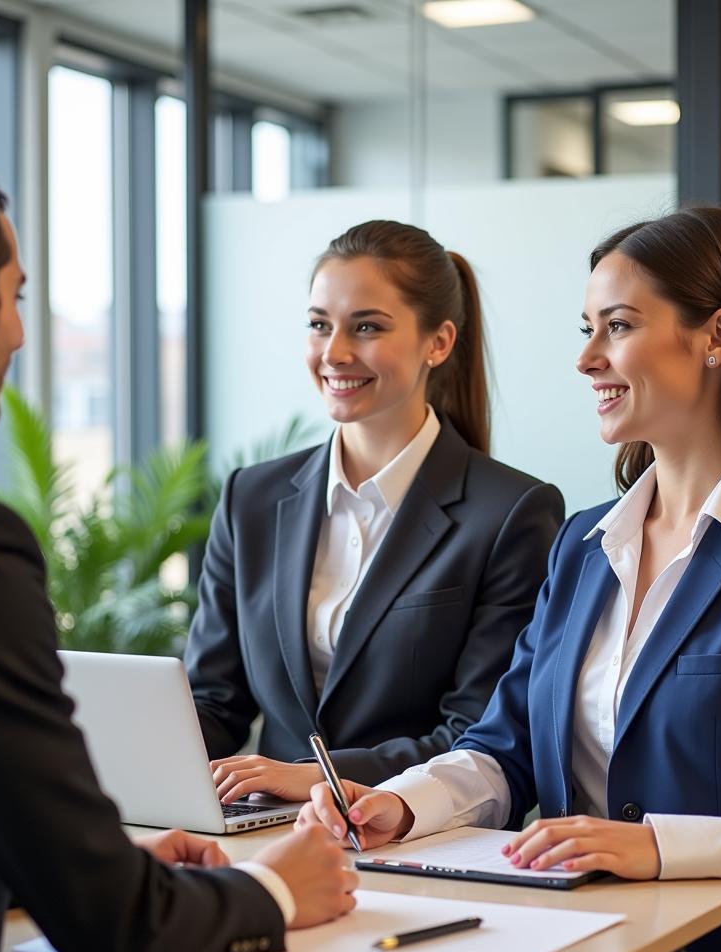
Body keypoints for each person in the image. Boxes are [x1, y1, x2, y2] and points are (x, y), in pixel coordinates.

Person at [300, 206, 721, 952]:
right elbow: (503, 753)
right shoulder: (584, 545)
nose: (587, 358)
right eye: (587, 327)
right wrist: (396, 802)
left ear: (717, 336)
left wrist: (660, 847)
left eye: (617, 326)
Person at [0, 135, 357, 952]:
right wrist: (276, 891)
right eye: (14, 300)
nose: (18, 333)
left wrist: (84, 861)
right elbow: (113, 927)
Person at [186, 219, 564, 806]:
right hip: (269, 836)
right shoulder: (251, 500)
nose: (333, 352)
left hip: (426, 841)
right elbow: (214, 703)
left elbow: (478, 735)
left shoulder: (512, 513)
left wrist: (322, 776)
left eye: (366, 327)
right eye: (319, 325)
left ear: (438, 342)